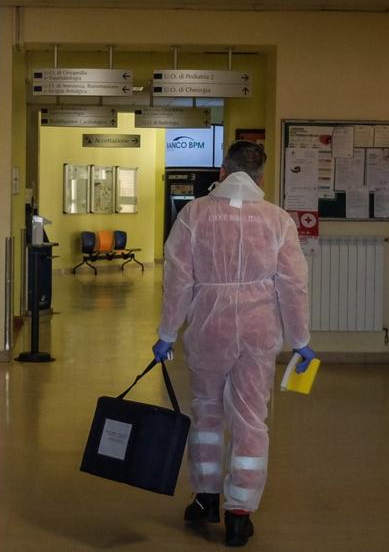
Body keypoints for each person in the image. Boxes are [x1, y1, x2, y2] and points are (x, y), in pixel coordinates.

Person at [152, 139, 315, 547]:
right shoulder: (277, 220)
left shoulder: (194, 215)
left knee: (206, 411)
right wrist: (300, 340)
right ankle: (240, 513)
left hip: (209, 328)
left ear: (223, 171)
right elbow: (293, 285)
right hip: (259, 331)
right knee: (249, 418)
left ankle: (206, 498)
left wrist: (167, 334)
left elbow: (178, 281)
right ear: (261, 175)